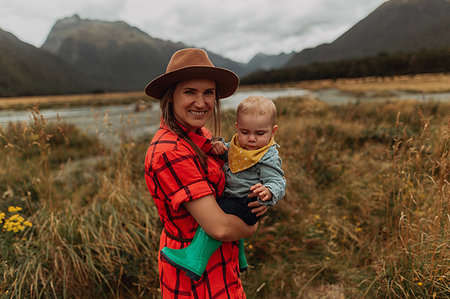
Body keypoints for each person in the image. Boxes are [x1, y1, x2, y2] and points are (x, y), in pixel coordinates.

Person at [144, 48, 268, 298]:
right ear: (171, 97)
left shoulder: (204, 137)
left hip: (224, 267)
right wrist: (251, 223)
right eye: (190, 92)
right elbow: (221, 228)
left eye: (208, 93)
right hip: (195, 279)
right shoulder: (169, 152)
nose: (201, 103)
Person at [161, 95, 286, 280]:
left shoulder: (267, 155)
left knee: (217, 211)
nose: (251, 139)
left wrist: (268, 192)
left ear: (273, 131)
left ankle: (195, 259)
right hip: (235, 197)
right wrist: (219, 147)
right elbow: (231, 155)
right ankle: (241, 257)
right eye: (245, 132)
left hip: (247, 202)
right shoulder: (238, 145)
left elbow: (278, 181)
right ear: (237, 128)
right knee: (224, 204)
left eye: (259, 134)